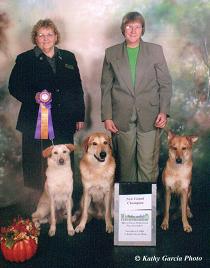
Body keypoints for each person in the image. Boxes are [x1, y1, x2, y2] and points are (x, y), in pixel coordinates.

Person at [9, 19, 85, 189]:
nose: (45, 38)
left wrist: (79, 115)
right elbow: (14, 87)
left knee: (63, 162)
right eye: (41, 35)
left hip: (65, 120)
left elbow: (77, 88)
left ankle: (65, 205)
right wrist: (33, 96)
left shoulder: (68, 57)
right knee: (36, 163)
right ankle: (37, 204)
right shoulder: (25, 59)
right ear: (35, 38)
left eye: (49, 34)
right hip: (34, 121)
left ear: (56, 36)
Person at [101, 12, 172, 182]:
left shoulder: (155, 51)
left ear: (142, 29)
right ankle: (128, 207)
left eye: (137, 27)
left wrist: (164, 111)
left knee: (147, 163)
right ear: (123, 29)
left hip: (151, 115)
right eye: (129, 26)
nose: (133, 31)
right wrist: (107, 116)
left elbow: (165, 84)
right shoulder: (111, 53)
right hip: (120, 117)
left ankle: (146, 207)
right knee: (125, 165)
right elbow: (106, 87)